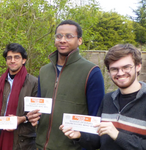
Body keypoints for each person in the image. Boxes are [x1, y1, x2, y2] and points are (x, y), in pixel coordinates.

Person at [60, 44, 146, 150]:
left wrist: (118, 135)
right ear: (109, 72)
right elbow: (98, 141)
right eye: (114, 69)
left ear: (138, 66)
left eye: (126, 67)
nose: (120, 73)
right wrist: (79, 136)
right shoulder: (107, 99)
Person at [27, 20, 105, 150]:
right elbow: (39, 108)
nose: (62, 40)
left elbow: (96, 117)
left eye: (69, 36)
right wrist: (33, 117)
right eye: (59, 36)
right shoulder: (44, 71)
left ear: (79, 40)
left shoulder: (91, 72)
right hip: (41, 146)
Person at [0, 43, 37, 150]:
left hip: (22, 141)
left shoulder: (34, 83)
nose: (12, 60)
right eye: (9, 58)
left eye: (16, 57)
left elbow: (37, 113)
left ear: (24, 60)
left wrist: (21, 119)